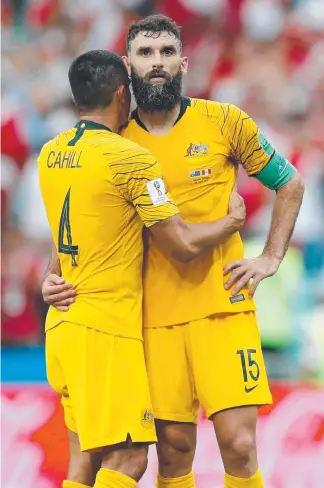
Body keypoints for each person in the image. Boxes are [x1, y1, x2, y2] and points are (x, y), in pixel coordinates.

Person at [42, 15, 305, 488]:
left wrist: (270, 258)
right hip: (150, 317)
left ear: (183, 61)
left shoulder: (226, 121)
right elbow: (78, 214)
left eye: (166, 52)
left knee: (240, 444)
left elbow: (289, 183)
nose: (157, 62)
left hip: (223, 308)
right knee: (174, 451)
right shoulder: (115, 140)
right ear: (128, 68)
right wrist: (53, 270)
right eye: (146, 53)